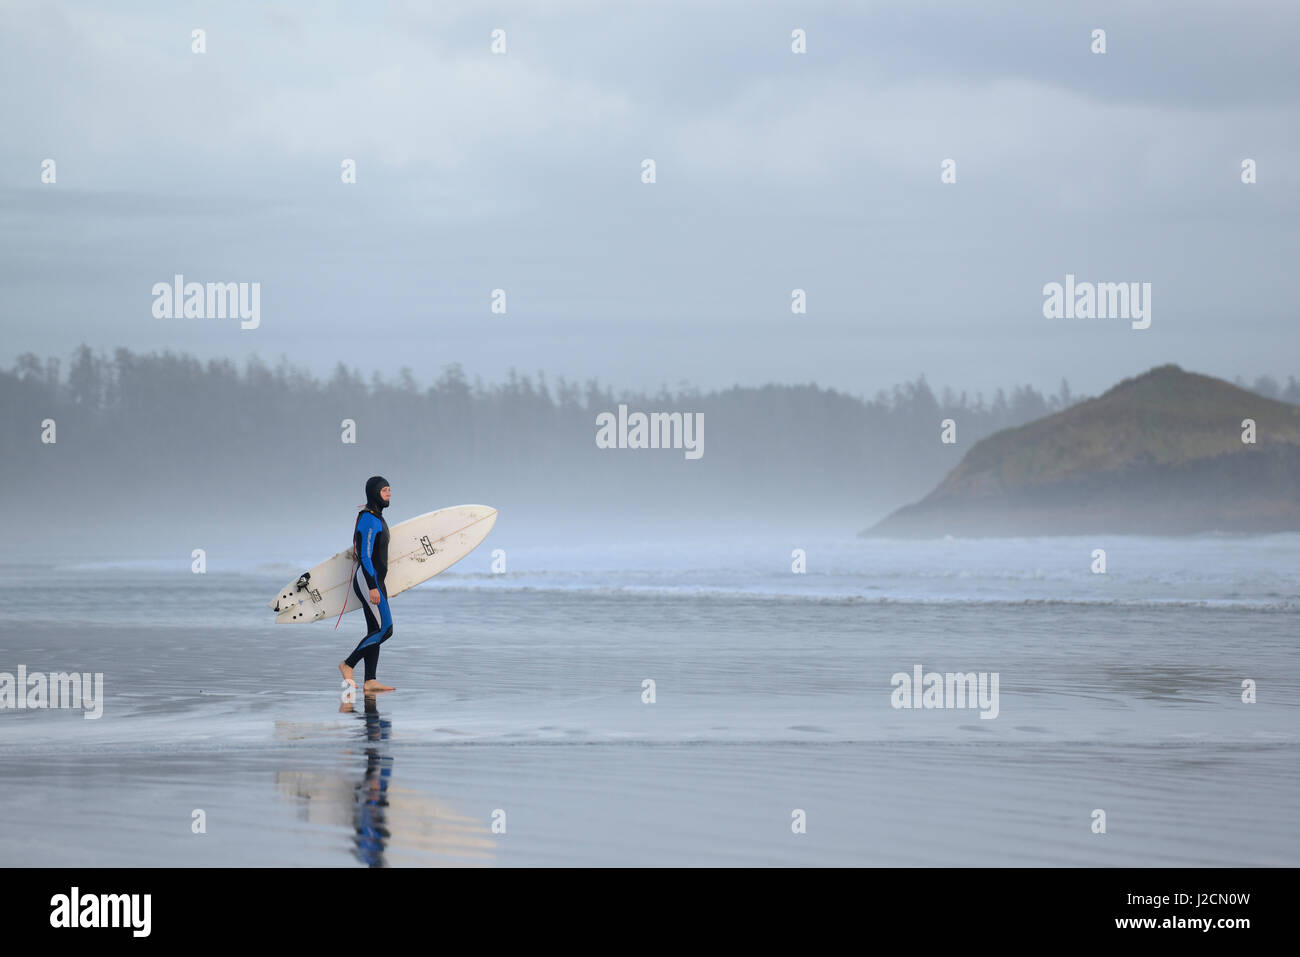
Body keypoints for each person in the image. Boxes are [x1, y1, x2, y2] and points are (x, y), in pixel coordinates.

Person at [339, 476, 395, 693]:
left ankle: (370, 680)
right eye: (385, 490)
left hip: (376, 581)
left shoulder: (377, 517)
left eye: (390, 490)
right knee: (386, 629)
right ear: (374, 493)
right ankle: (348, 664)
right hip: (368, 580)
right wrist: (373, 586)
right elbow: (365, 555)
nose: (389, 494)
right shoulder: (369, 519)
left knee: (375, 629)